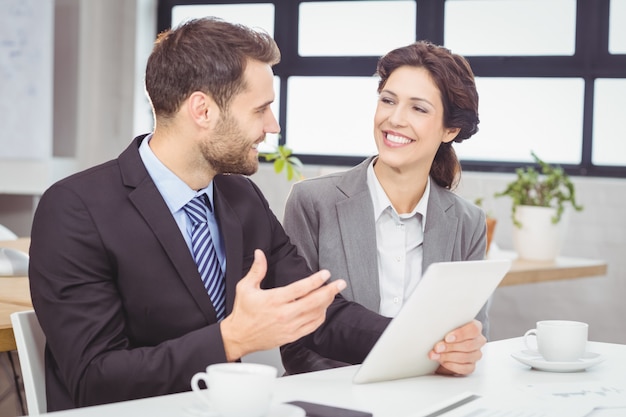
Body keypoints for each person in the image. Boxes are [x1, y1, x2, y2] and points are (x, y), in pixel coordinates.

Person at [28, 17, 389, 411]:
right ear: (202, 110)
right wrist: (231, 338)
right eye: (261, 109)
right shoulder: (75, 209)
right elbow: (94, 379)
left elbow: (316, 310)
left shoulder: (241, 197)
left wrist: (425, 340)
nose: (273, 125)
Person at [281, 41, 488, 375]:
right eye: (388, 101)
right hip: (334, 403)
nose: (395, 119)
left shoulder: (468, 222)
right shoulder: (312, 202)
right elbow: (295, 340)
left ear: (450, 129)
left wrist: (464, 352)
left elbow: (472, 331)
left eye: (418, 109)